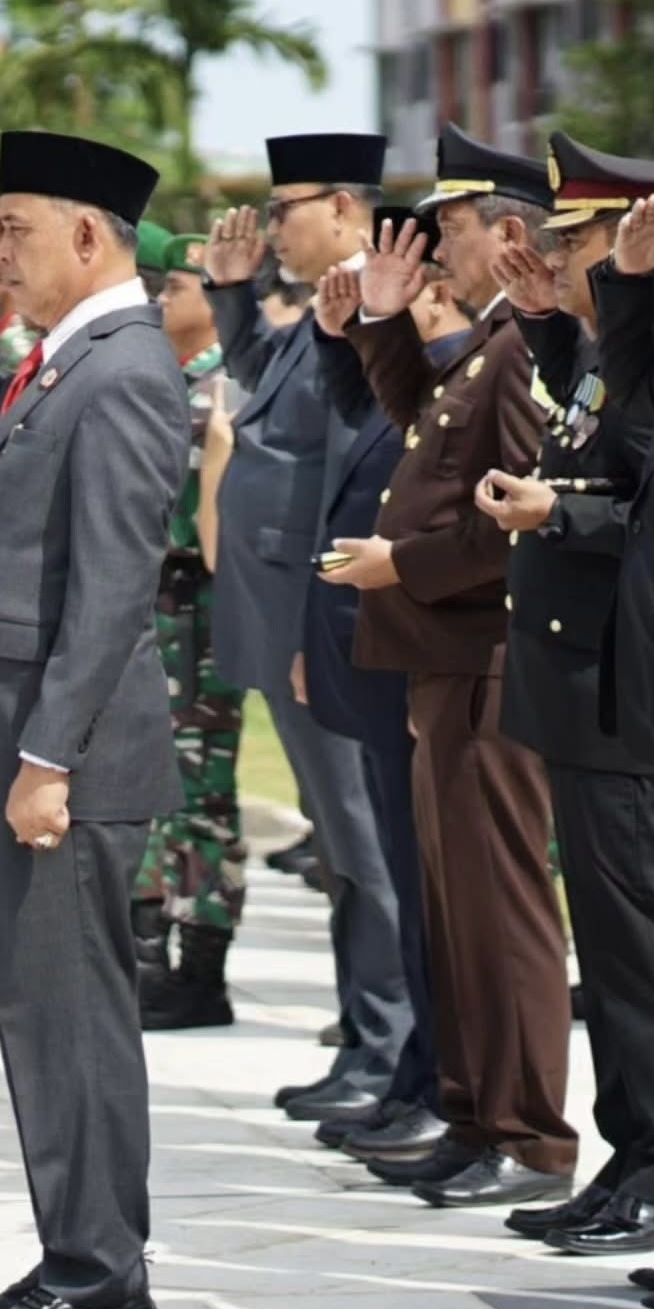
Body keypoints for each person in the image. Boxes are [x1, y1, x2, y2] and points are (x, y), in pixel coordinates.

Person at [0, 131, 188, 1309]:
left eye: (15, 231)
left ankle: (103, 1282)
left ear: (87, 234)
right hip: (14, 744)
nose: (1, 250)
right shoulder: (66, 354)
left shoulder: (124, 370)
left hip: (57, 761)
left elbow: (115, 589)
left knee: (72, 1025)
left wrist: (48, 760)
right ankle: (72, 1255)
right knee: (42, 1022)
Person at [319, 124, 576, 1209]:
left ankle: (528, 1136)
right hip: (449, 659)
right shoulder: (493, 338)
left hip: (491, 658)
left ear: (507, 233)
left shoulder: (527, 346)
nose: (437, 248)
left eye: (453, 228)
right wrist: (380, 325)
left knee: (502, 910)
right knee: (457, 906)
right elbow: (424, 433)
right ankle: (475, 1117)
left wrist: (403, 565)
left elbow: (516, 520)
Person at [474, 141, 654, 1256]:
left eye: (581, 241)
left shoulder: (652, 353)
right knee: (612, 948)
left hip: (626, 694)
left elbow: (637, 502)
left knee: (641, 952)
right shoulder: (610, 356)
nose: (558, 258)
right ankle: (634, 1155)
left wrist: (559, 516)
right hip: (588, 687)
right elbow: (608, 430)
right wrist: (551, 322)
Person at [205, 133, 413, 1125]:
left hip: (317, 618)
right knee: (338, 839)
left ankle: (389, 1044)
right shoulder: (323, 308)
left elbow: (356, 487)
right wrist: (233, 293)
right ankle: (366, 1035)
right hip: (284, 614)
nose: (271, 226)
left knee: (360, 841)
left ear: (341, 207)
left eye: (283, 209)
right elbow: (265, 386)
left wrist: (325, 627)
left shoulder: (374, 309)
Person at [302, 205, 462, 1165]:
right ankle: (418, 1073)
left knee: (436, 892)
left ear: (431, 286)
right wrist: (349, 336)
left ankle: (446, 1085)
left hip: (431, 663)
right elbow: (366, 423)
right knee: (405, 878)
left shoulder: (472, 372)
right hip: (380, 662)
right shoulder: (423, 377)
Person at [132, 233, 248, 1032]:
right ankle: (153, 953)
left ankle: (203, 969)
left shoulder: (225, 387)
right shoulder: (167, 382)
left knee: (202, 795)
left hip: (201, 615)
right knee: (154, 790)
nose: (162, 300)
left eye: (175, 287)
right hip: (155, 613)